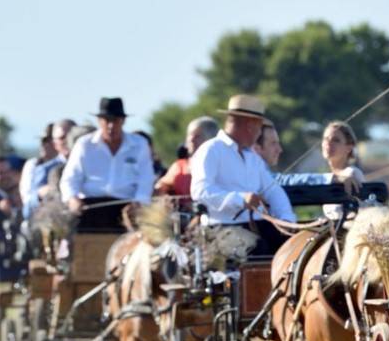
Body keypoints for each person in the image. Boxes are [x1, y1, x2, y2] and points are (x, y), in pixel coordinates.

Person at [190, 95, 295, 257]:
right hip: (220, 228)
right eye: (259, 127)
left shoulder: (252, 157)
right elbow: (200, 191)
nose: (259, 133)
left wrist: (286, 220)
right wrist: (239, 199)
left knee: (293, 244)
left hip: (255, 225)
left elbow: (273, 190)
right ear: (250, 126)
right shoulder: (211, 150)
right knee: (257, 248)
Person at [60, 97, 154, 232]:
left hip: (127, 208)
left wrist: (140, 201)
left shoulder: (139, 145)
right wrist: (72, 199)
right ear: (99, 121)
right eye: (107, 120)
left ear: (123, 121)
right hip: (90, 207)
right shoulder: (84, 145)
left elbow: (146, 179)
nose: (111, 126)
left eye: (115, 121)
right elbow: (70, 178)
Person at [155, 116, 218, 201]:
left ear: (210, 139)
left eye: (197, 136)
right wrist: (166, 197)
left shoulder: (221, 164)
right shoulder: (180, 166)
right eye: (190, 135)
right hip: (184, 213)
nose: (191, 139)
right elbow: (160, 187)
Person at [21, 123, 69, 218]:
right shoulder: (37, 166)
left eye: (47, 140)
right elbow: (28, 205)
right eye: (43, 141)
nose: (43, 144)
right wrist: (40, 194)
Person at [321, 121, 365, 220]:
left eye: (335, 140)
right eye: (325, 139)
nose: (328, 143)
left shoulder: (352, 174)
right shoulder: (328, 177)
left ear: (349, 148)